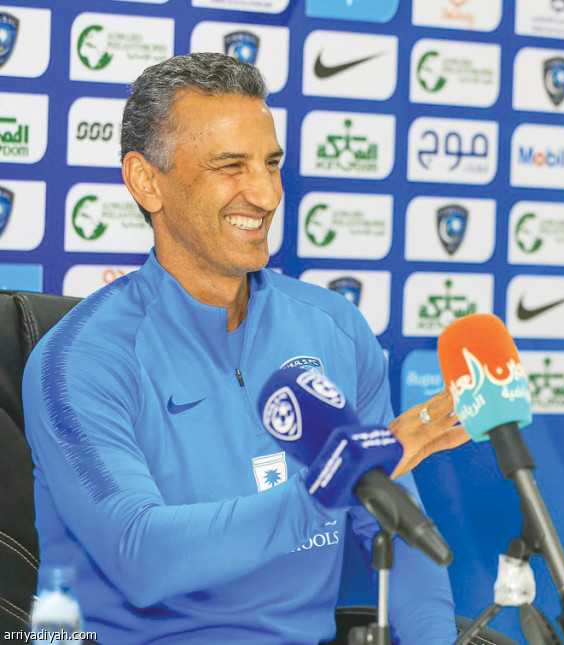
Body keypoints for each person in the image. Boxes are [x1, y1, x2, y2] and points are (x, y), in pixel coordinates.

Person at [23, 52, 466, 643]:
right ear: (146, 181)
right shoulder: (80, 359)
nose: (265, 194)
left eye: (271, 164)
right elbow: (141, 556)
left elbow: (401, 536)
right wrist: (327, 486)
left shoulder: (335, 328)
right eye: (230, 166)